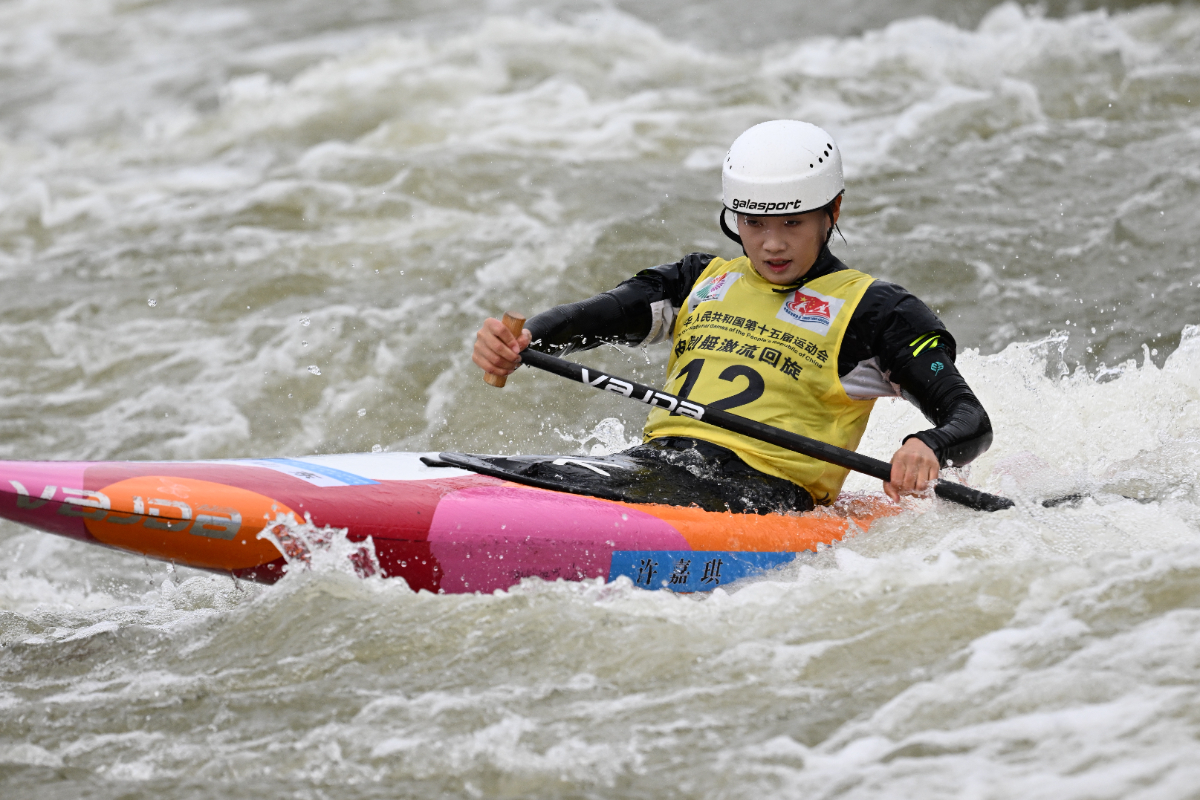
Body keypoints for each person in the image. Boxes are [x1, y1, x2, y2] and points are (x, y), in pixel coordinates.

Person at [473, 120, 992, 512]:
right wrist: (526, 339)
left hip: (762, 495)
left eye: (792, 222)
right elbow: (599, 315)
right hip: (656, 466)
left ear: (832, 212)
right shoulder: (697, 280)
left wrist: (927, 445)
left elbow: (968, 418)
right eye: (753, 222)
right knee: (490, 482)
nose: (771, 244)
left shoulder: (878, 312)